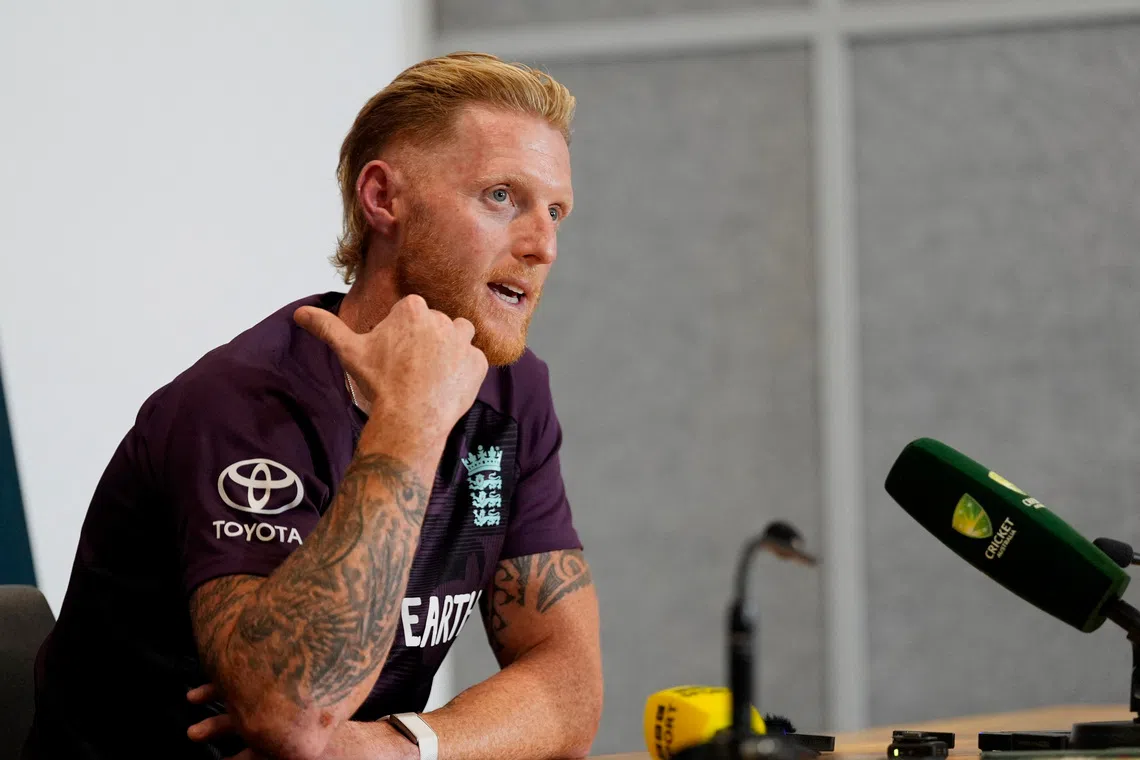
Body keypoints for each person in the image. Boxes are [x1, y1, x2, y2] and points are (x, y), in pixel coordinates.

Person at [22, 52, 602, 760]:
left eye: (556, 210)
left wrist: (401, 747)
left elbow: (569, 685)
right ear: (383, 199)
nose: (542, 244)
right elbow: (291, 716)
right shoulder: (244, 401)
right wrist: (411, 422)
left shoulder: (513, 395)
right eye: (501, 197)